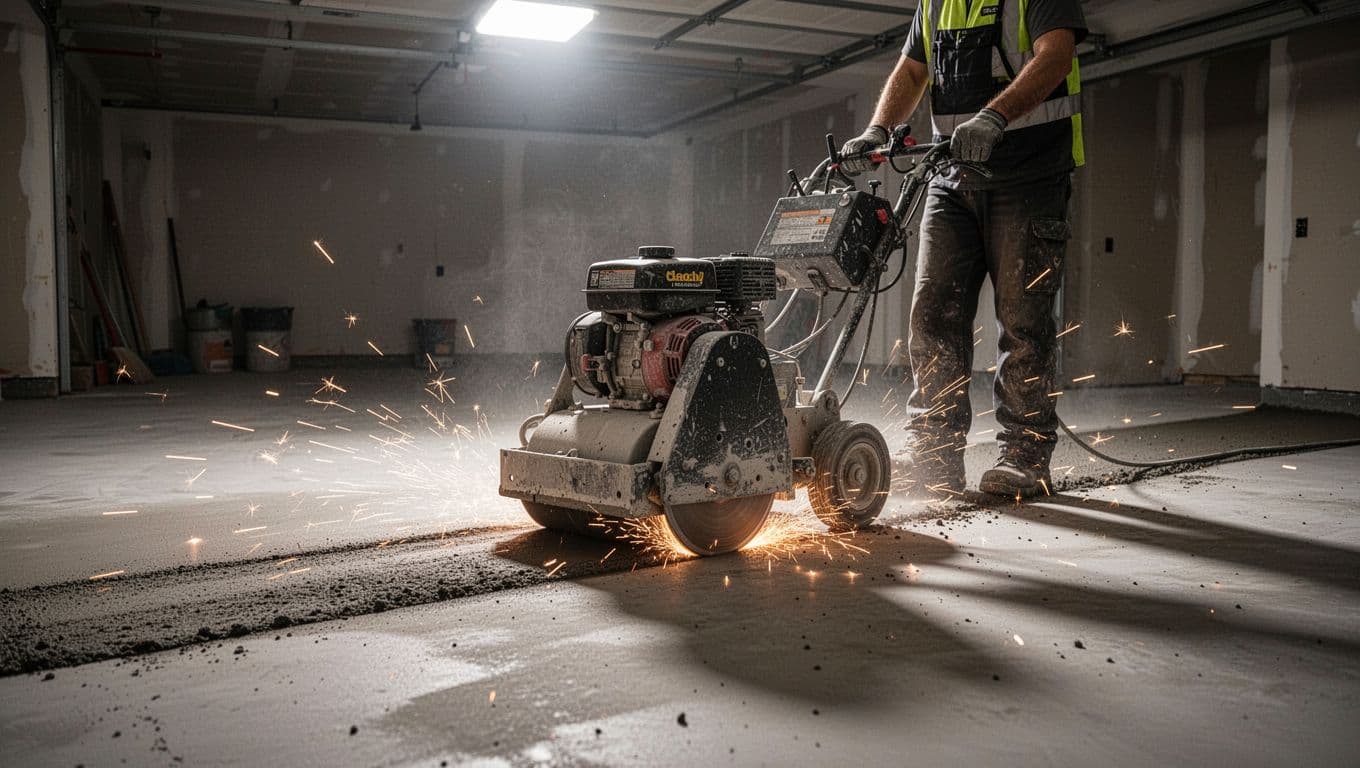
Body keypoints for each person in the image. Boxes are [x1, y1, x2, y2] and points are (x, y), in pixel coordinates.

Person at [840, 0, 1087, 499]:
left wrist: (995, 116)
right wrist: (878, 130)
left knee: (1021, 320)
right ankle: (934, 453)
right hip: (951, 179)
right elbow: (912, 71)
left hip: (1029, 174)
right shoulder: (936, 3)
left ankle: (1025, 455)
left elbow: (1056, 54)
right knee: (932, 316)